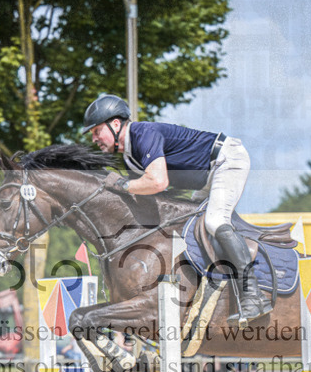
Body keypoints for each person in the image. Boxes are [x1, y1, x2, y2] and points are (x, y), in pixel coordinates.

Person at [82, 94, 271, 322]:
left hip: (225, 160)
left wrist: (121, 184)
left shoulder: (142, 134)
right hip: (205, 178)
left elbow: (158, 182)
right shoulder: (130, 157)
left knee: (215, 222)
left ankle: (253, 295)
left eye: (96, 131)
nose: (94, 138)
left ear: (115, 124)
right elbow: (145, 196)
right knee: (189, 224)